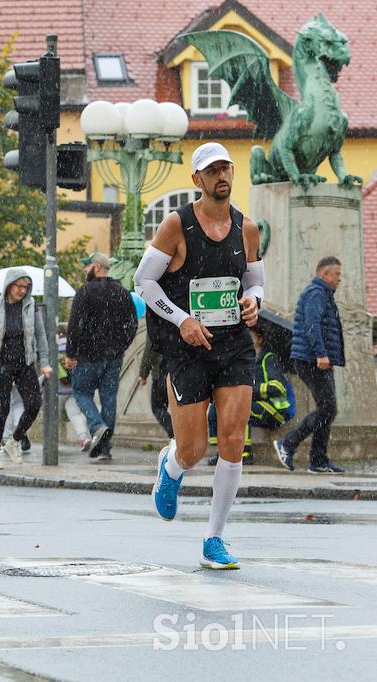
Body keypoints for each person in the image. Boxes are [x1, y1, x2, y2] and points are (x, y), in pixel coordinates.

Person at [135, 142, 263, 570]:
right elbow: (144, 282)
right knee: (193, 450)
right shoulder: (177, 225)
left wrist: (253, 301)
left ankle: (214, 538)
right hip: (187, 349)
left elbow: (254, 281)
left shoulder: (247, 228)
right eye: (211, 170)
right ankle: (171, 466)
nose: (221, 175)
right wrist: (182, 320)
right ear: (197, 180)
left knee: (232, 438)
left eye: (226, 167)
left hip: (233, 346)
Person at [273, 256, 345, 474]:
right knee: (328, 408)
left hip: (315, 360)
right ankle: (288, 443)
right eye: (337, 274)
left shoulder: (323, 294)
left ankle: (319, 460)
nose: (339, 279)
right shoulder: (316, 294)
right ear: (325, 274)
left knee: (327, 409)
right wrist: (321, 354)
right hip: (311, 360)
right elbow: (312, 325)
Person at [64, 252, 137, 462]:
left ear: (96, 267)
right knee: (108, 398)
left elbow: (74, 326)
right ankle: (105, 447)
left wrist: (70, 353)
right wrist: (120, 346)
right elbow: (132, 324)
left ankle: (97, 427)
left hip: (88, 355)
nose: (85, 270)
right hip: (114, 356)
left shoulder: (85, 292)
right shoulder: (122, 292)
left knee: (80, 392)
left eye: (87, 267)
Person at [0, 270, 53, 470]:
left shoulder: (31, 307)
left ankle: (15, 440)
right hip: (2, 365)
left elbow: (41, 336)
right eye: (19, 286)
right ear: (9, 285)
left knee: (34, 403)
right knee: (2, 410)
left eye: (25, 287)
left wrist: (44, 362)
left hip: (25, 363)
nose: (22, 291)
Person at [207, 326, 294, 465]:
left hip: (275, 409)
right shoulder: (244, 360)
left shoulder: (268, 359)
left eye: (249, 336)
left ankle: (244, 453)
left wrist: (251, 391)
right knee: (216, 408)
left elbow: (277, 387)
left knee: (241, 408)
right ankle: (222, 451)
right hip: (255, 404)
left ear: (259, 339)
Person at [56, 326, 91, 450]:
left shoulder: (54, 347)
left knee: (53, 417)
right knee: (75, 414)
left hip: (58, 391)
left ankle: (51, 444)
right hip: (72, 389)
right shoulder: (73, 347)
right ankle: (83, 438)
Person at [138, 343, 174, 443]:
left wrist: (143, 373)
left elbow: (150, 348)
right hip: (179, 369)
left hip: (162, 371)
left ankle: (176, 433)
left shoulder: (158, 327)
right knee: (181, 406)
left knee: (157, 407)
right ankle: (183, 434)